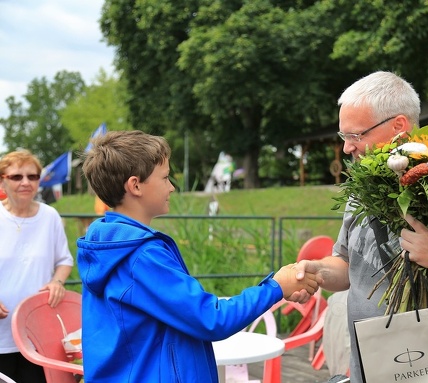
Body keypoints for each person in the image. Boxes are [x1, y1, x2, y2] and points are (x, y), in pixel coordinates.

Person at [290, 71, 428, 383]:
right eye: (344, 137)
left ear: (399, 127)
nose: (347, 149)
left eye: (355, 136)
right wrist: (318, 271)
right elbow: (347, 264)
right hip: (371, 370)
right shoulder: (360, 190)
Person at [76, 130, 319, 383]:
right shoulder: (141, 256)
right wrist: (276, 286)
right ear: (135, 185)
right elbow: (211, 319)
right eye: (165, 177)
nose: (171, 186)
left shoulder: (105, 245)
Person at [0, 149, 74, 383]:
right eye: (16, 176)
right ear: (2, 179)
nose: (26, 182)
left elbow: (64, 260)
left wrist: (57, 282)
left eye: (32, 177)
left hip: (39, 332)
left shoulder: (50, 216)